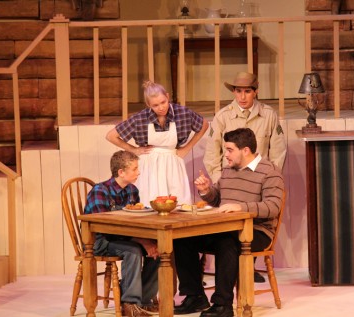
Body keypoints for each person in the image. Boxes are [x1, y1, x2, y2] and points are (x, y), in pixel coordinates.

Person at [174, 128, 285, 317]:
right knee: (181, 238)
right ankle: (195, 296)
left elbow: (272, 206)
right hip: (225, 227)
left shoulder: (269, 172)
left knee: (226, 241)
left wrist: (241, 208)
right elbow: (218, 199)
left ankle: (222, 305)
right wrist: (206, 190)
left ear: (246, 150)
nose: (226, 155)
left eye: (229, 150)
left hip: (256, 231)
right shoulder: (228, 171)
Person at [203, 71, 287, 283]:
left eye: (247, 91)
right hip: (230, 183)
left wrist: (267, 177)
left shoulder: (268, 115)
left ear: (255, 92)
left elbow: (277, 150)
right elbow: (212, 153)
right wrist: (219, 182)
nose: (242, 96)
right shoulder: (223, 116)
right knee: (226, 231)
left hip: (258, 182)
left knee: (251, 225)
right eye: (238, 91)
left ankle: (247, 267)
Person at [106, 80, 209, 206]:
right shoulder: (140, 118)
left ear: (167, 96)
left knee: (177, 201)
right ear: (148, 104)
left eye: (163, 102)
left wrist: (187, 148)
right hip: (149, 165)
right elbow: (111, 136)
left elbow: (204, 124)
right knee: (149, 200)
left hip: (173, 162)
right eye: (155, 105)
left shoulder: (182, 113)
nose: (161, 107)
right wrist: (134, 150)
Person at [84, 150, 159, 317]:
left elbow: (135, 221)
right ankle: (130, 304)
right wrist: (141, 241)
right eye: (134, 169)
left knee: (160, 249)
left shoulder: (132, 190)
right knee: (133, 251)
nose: (138, 172)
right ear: (121, 172)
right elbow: (104, 228)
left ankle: (144, 300)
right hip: (98, 241)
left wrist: (148, 241)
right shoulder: (100, 191)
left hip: (124, 237)